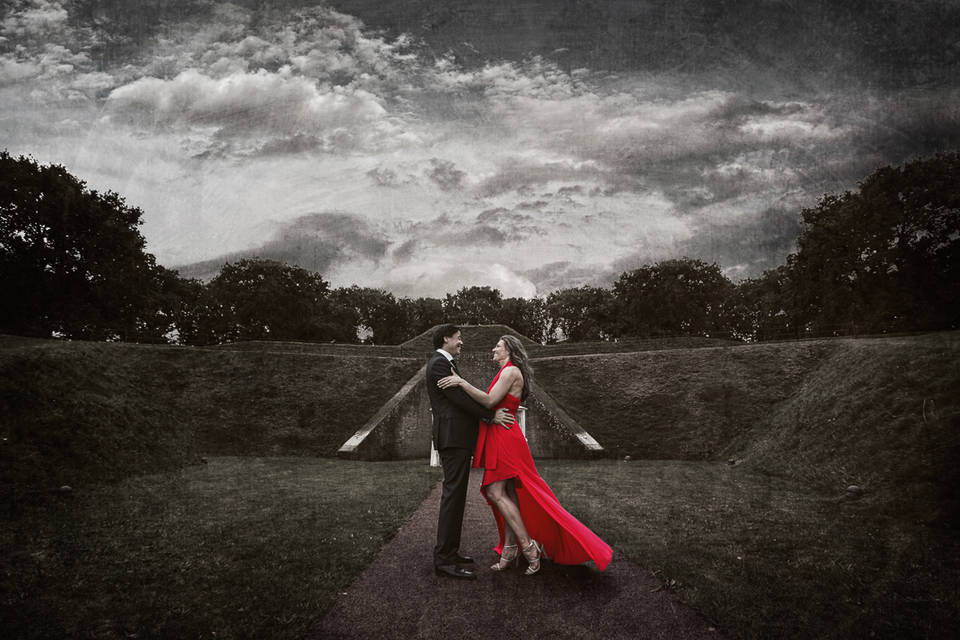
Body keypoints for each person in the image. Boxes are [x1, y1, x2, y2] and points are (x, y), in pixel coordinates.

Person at [438, 334, 613, 575]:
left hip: (505, 438)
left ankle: (529, 548)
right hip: (502, 434)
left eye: (498, 346)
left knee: (495, 492)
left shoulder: (510, 371)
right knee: (509, 493)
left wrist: (461, 382)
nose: (493, 349)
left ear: (509, 350)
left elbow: (489, 401)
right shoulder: (507, 371)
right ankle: (510, 550)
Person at [426, 324, 515, 580]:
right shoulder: (439, 364)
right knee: (453, 496)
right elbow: (460, 400)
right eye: (458, 338)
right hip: (453, 438)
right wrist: (490, 416)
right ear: (446, 338)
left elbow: (460, 397)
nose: (461, 342)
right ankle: (444, 560)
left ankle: (450, 553)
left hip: (456, 438)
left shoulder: (446, 363)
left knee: (456, 496)